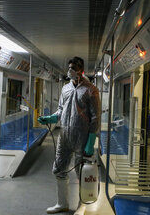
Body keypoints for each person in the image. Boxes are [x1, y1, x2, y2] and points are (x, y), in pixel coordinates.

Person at [38, 56, 101, 214]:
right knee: (59, 169)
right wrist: (51, 118)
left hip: (83, 137)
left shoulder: (91, 90)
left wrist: (91, 141)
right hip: (65, 136)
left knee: (82, 173)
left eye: (73, 68)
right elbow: (61, 110)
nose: (70, 71)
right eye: (69, 68)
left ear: (82, 71)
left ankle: (82, 206)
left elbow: (96, 117)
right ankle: (62, 203)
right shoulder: (65, 89)